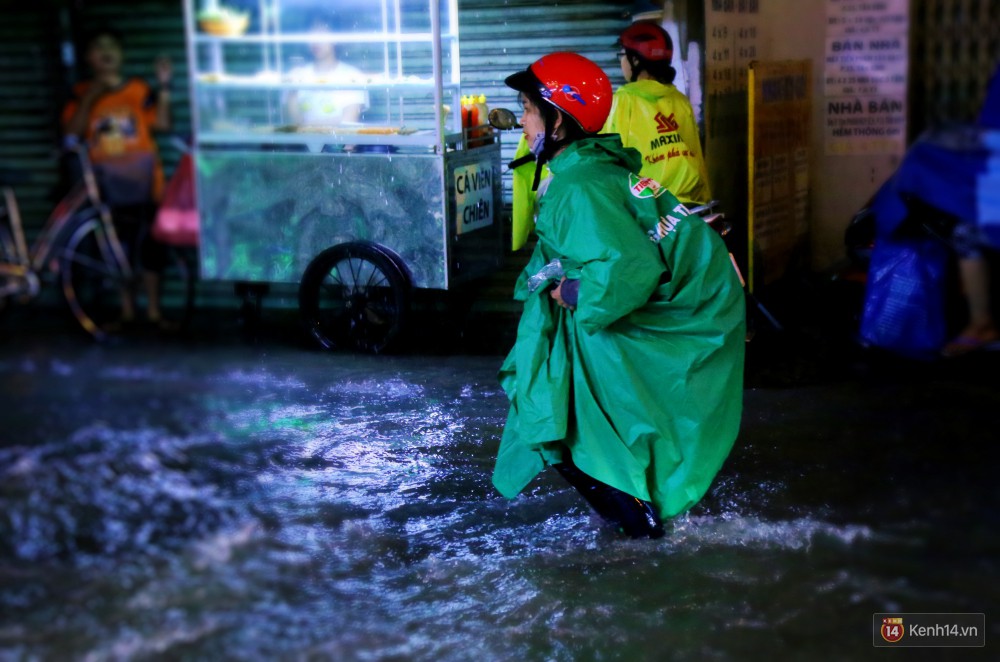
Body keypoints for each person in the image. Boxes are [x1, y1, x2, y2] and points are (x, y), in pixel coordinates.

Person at [491, 52, 746, 539]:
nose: (521, 122)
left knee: (564, 421)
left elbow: (629, 270)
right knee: (580, 412)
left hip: (654, 312)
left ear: (556, 121)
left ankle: (643, 536)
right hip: (691, 303)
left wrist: (573, 289)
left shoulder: (578, 185)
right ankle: (647, 518)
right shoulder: (601, 169)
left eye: (527, 110)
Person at [61, 27, 174, 329]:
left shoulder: (138, 89)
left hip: (145, 182)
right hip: (107, 186)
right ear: (88, 57)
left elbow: (162, 124)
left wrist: (164, 85)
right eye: (99, 47)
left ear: (121, 54)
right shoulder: (79, 93)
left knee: (151, 247)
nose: (107, 52)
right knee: (117, 249)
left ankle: (153, 312)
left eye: (112, 46)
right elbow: (71, 133)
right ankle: (127, 312)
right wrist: (91, 97)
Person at [603, 22, 711, 207]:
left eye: (623, 55)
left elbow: (605, 161)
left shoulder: (622, 102)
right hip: (689, 207)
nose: (621, 62)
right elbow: (697, 158)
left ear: (636, 61)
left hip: (649, 209)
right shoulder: (680, 101)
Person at [286, 17, 369, 128]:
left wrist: (308, 126)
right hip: (304, 140)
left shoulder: (353, 76)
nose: (316, 40)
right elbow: (292, 126)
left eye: (322, 33)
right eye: (311, 34)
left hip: (336, 140)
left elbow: (348, 125)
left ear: (336, 37)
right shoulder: (296, 76)